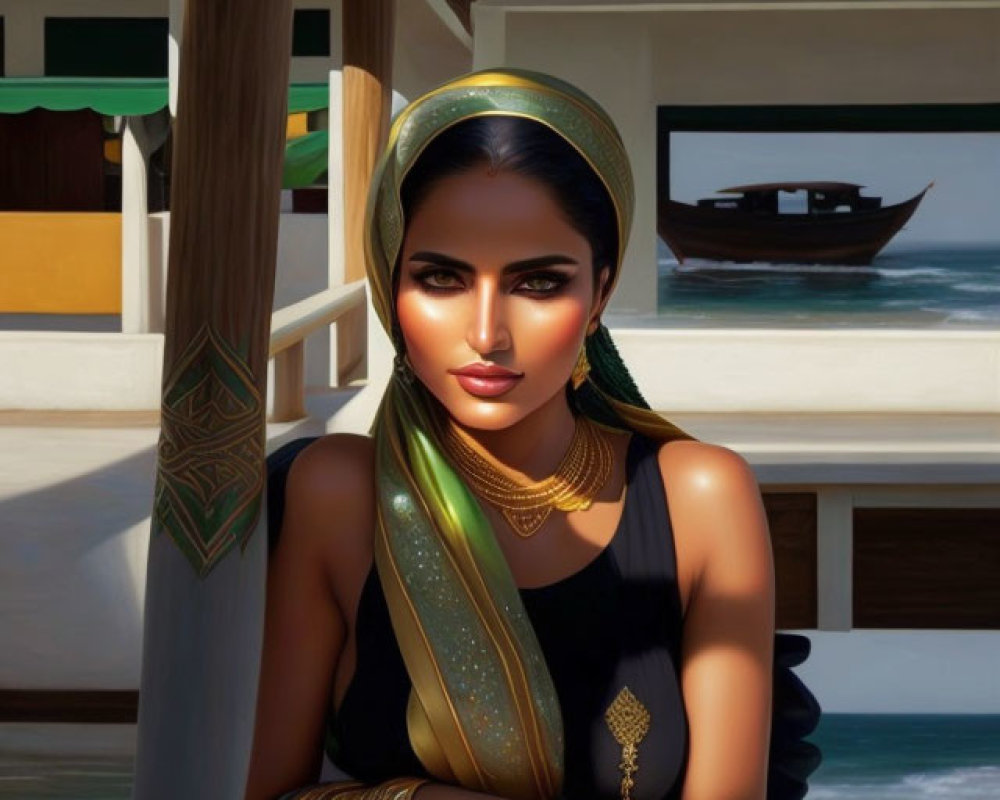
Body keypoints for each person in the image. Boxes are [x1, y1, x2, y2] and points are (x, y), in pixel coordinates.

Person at [246, 68, 815, 800]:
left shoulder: (700, 499)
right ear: (391, 284)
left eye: (538, 283)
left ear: (600, 292)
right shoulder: (341, 495)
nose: (487, 335)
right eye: (441, 279)